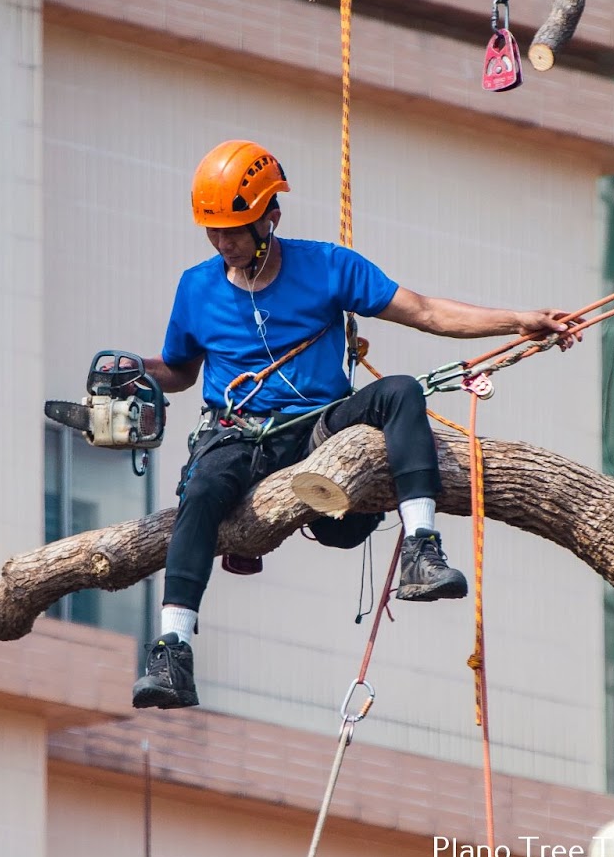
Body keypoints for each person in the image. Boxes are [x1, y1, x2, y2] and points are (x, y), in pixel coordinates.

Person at [130, 140, 580, 709]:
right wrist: (134, 370)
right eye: (213, 232)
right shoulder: (196, 287)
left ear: (270, 217)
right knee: (200, 492)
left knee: (401, 391)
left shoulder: (326, 267)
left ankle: (421, 549)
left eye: (234, 231)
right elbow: (179, 371)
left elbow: (425, 311)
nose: (224, 244)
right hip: (240, 434)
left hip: (319, 427)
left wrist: (517, 321)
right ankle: (172, 651)